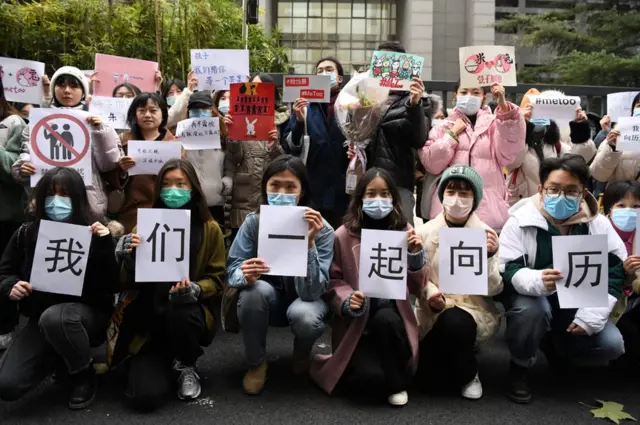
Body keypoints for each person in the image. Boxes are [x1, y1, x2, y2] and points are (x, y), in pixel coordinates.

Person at [499, 155, 626, 404]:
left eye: (571, 191)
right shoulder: (521, 220)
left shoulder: (597, 224)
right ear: (541, 189)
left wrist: (593, 315)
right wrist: (536, 280)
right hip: (535, 299)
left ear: (583, 193)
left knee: (612, 344)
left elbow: (615, 269)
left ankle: (558, 347)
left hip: (578, 302)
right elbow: (507, 267)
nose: (561, 196)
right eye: (554, 189)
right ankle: (520, 366)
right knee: (531, 310)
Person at [0, 167, 119, 409]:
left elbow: (114, 284)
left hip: (86, 317)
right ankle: (60, 355)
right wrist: (11, 285)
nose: (56, 201)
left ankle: (82, 373)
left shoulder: (95, 232)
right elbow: (6, 271)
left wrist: (106, 245)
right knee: (8, 385)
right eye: (50, 194)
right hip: (40, 318)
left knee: (57, 318)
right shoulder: (26, 233)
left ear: (77, 198)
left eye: (64, 194)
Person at [112, 159, 225, 409]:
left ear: (193, 188)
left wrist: (195, 289)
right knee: (144, 398)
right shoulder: (144, 226)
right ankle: (155, 359)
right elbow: (125, 283)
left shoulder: (209, 229)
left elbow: (218, 279)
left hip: (186, 316)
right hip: (148, 321)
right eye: (166, 184)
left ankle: (186, 364)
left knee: (182, 311)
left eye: (180, 183)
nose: (173, 190)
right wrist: (127, 258)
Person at [310, 167, 426, 406]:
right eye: (371, 194)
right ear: (360, 198)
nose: (378, 200)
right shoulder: (343, 235)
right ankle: (380, 369)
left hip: (392, 321)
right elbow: (334, 280)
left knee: (386, 320)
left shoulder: (404, 232)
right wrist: (347, 298)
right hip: (358, 326)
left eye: (384, 194)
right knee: (364, 382)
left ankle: (397, 382)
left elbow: (418, 287)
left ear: (394, 198)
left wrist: (415, 256)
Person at [225, 155, 334, 395]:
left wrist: (309, 245)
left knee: (304, 314)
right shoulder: (254, 223)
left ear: (302, 191)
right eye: (275, 185)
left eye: (290, 186)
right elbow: (231, 271)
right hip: (267, 300)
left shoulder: (322, 229)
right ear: (264, 187)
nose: (282, 192)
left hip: (303, 300)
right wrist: (245, 274)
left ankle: (302, 352)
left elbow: (313, 292)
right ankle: (257, 363)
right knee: (254, 292)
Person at [414, 165, 502, 400]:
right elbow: (417, 276)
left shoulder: (486, 234)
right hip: (431, 307)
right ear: (442, 195)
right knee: (425, 382)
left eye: (465, 193)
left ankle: (469, 372)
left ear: (475, 199)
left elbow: (495, 288)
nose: (457, 199)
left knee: (456, 322)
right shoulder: (424, 232)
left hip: (470, 309)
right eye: (451, 191)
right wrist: (430, 294)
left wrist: (489, 256)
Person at [11, 66, 121, 221]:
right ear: (54, 88)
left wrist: (101, 131)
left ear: (84, 91)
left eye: (74, 86)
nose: (67, 90)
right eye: (61, 85)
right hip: (47, 201)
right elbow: (25, 156)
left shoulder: (98, 122)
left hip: (88, 202)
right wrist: (23, 168)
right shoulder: (37, 123)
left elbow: (108, 164)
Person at [419, 81, 526, 232]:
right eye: (464, 92)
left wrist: (504, 109)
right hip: (449, 209)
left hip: (488, 210)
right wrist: (452, 135)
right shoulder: (442, 126)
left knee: (487, 254)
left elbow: (509, 154)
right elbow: (431, 163)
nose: (469, 97)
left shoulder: (495, 125)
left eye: (476, 92)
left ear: (484, 97)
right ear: (455, 96)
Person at [366, 41, 432, 225]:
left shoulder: (416, 100)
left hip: (398, 182)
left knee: (402, 235)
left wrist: (414, 105)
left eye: (391, 62)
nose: (385, 67)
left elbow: (419, 138)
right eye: (380, 61)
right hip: (366, 182)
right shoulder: (364, 97)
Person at [283, 57, 350, 229]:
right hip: (313, 189)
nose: (324, 74)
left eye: (329, 70)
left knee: (340, 240)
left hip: (343, 190)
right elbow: (290, 146)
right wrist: (298, 121)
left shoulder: (351, 105)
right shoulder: (305, 106)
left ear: (340, 78)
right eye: (319, 71)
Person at [223, 73, 291, 238]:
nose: (255, 91)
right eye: (251, 87)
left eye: (261, 88)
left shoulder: (284, 120)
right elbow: (234, 159)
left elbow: (289, 162)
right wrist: (231, 135)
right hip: (244, 197)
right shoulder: (237, 117)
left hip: (273, 195)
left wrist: (274, 146)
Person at [507, 89, 597, 206]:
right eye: (530, 111)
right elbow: (512, 162)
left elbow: (579, 159)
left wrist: (580, 129)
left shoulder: (556, 145)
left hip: (553, 204)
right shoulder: (513, 141)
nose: (535, 116)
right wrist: (522, 129)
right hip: (522, 206)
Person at [108, 92, 181, 232]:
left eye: (153, 110)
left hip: (165, 212)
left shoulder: (175, 146)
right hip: (129, 213)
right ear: (134, 114)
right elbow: (108, 179)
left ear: (163, 114)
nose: (147, 115)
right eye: (142, 110)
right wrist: (121, 170)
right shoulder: (121, 142)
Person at [601, 181, 640, 372]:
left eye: (636, 206)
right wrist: (625, 274)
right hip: (609, 300)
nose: (629, 211)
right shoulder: (596, 233)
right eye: (621, 206)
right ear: (608, 209)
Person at [0, 79, 27, 350]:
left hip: (6, 214)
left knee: (5, 269)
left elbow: (15, 170)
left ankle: (6, 325)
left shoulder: (14, 124)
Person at [183, 91, 231, 225]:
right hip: (189, 200)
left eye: (204, 108)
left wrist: (226, 182)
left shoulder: (223, 135)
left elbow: (231, 164)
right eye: (194, 109)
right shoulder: (181, 136)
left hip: (215, 201)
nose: (199, 112)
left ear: (212, 110)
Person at [591, 93, 640, 184]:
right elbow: (598, 175)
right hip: (620, 196)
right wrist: (612, 148)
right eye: (639, 105)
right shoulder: (618, 135)